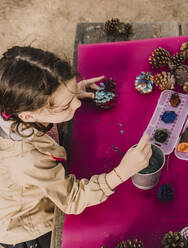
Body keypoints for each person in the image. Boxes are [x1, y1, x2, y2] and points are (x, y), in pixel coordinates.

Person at [0, 46, 152, 247]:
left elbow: (49, 109)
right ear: (29, 116)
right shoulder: (27, 159)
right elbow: (71, 199)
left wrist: (71, 92)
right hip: (27, 225)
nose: (77, 105)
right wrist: (122, 172)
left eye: (72, 95)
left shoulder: (18, 106)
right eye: (66, 105)